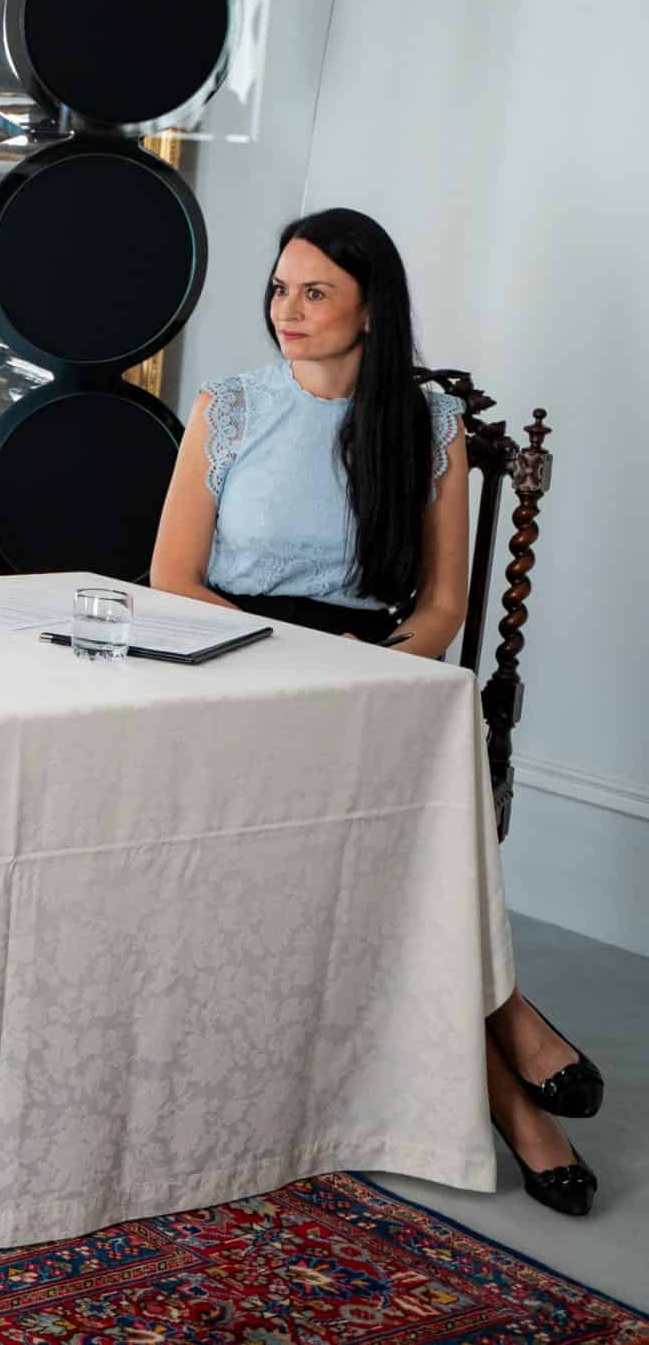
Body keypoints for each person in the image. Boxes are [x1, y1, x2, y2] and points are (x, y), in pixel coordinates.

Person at [150, 207, 604, 1216]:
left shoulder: (426, 424)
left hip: (368, 666)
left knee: (421, 760)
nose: (288, 309)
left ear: (371, 310)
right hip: (234, 664)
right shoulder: (229, 408)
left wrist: (365, 673)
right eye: (280, 288)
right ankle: (513, 1055)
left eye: (316, 292)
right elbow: (172, 579)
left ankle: (509, 1083)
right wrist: (297, 666)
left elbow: (440, 607)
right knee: (400, 851)